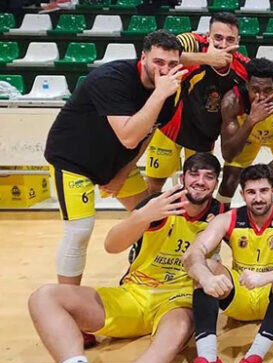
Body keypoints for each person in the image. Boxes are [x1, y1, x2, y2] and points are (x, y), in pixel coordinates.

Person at [28, 153, 226, 363]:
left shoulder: (221, 214)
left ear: (215, 184)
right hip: (134, 294)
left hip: (177, 301)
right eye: (194, 174)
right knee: (44, 297)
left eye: (208, 176)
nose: (200, 181)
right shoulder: (158, 205)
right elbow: (111, 245)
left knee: (175, 334)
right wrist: (142, 216)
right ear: (182, 178)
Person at [44, 30, 184, 287]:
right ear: (143, 57)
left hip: (115, 161)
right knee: (79, 231)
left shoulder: (169, 93)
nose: (165, 70)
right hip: (74, 160)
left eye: (172, 64)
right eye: (158, 62)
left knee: (153, 219)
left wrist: (121, 173)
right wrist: (158, 94)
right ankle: (67, 301)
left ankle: (145, 275)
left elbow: (146, 135)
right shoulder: (111, 79)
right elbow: (129, 136)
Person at [182, 164, 273, 363]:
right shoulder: (229, 218)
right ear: (242, 194)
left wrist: (269, 276)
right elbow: (192, 253)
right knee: (205, 265)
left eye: (263, 191)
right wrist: (205, 277)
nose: (258, 198)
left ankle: (252, 360)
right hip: (240, 297)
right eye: (251, 192)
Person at [145, 12, 250, 194]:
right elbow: (165, 53)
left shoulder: (242, 68)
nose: (223, 45)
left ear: (237, 41)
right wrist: (208, 59)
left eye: (229, 39)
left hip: (204, 136)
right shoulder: (191, 41)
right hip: (169, 128)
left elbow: (271, 77)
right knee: (155, 184)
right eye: (217, 37)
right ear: (207, 35)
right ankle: (153, 222)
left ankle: (190, 222)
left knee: (198, 189)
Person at [217, 57, 273, 208]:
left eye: (267, 90)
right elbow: (228, 154)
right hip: (247, 138)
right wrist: (251, 120)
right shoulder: (232, 101)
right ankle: (219, 224)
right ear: (247, 85)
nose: (261, 96)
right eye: (255, 90)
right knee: (228, 182)